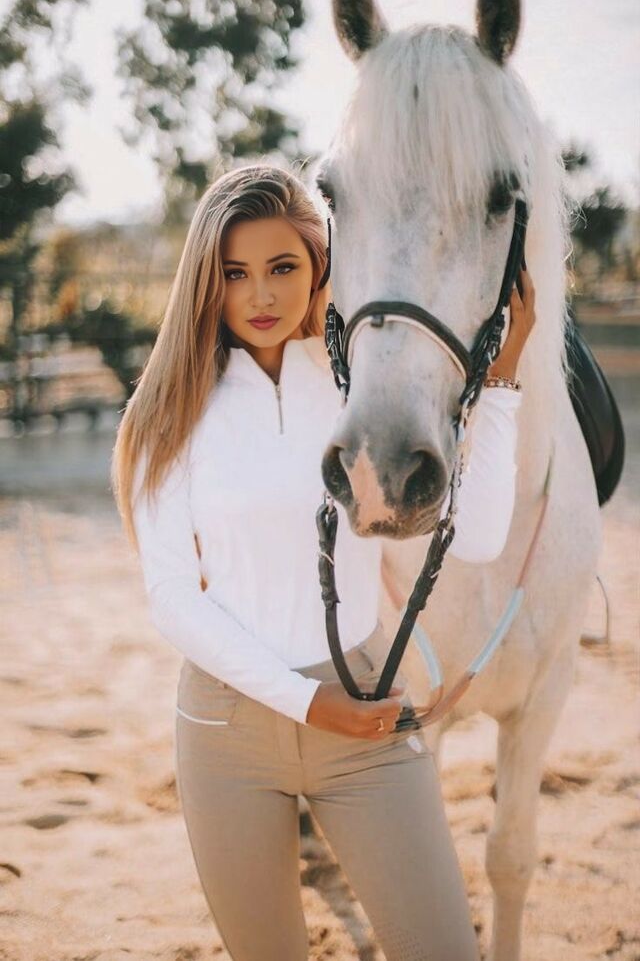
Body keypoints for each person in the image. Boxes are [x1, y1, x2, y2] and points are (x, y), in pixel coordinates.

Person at [111, 164, 535, 961]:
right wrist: (307, 704)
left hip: (364, 710)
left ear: (319, 267)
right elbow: (171, 598)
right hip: (226, 729)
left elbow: (475, 539)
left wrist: (503, 380)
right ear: (206, 280)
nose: (260, 295)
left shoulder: (354, 392)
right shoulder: (168, 413)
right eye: (235, 273)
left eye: (282, 267)